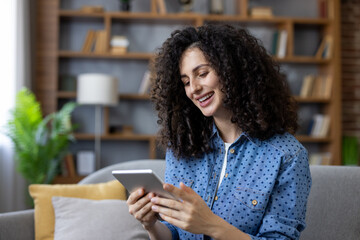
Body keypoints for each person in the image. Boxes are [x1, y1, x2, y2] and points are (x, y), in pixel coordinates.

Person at [127, 24, 312, 240]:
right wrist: (150, 224)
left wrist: (211, 225)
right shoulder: (183, 146)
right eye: (185, 82)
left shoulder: (287, 155)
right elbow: (174, 234)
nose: (193, 88)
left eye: (202, 74)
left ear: (232, 71)